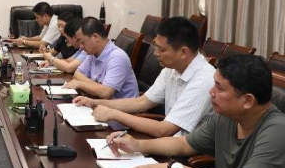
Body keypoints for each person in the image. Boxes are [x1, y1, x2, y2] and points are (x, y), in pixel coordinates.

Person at [106, 55, 285, 168]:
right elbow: (184, 144)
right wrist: (138, 145)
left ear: (248, 101)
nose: (211, 92)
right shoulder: (227, 117)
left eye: (219, 88)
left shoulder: (278, 130)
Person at [74, 16, 214, 137]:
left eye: (161, 49)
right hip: (168, 143)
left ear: (183, 52)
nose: (155, 53)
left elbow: (164, 130)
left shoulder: (204, 79)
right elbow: (142, 102)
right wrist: (93, 102)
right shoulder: (171, 70)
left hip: (183, 153)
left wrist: (114, 114)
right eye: (156, 46)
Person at [63, 17, 138, 100]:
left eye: (82, 42)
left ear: (95, 37)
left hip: (120, 107)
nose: (81, 46)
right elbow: (77, 74)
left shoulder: (117, 57)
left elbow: (105, 93)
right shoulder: (93, 53)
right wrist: (97, 87)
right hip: (100, 102)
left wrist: (81, 84)